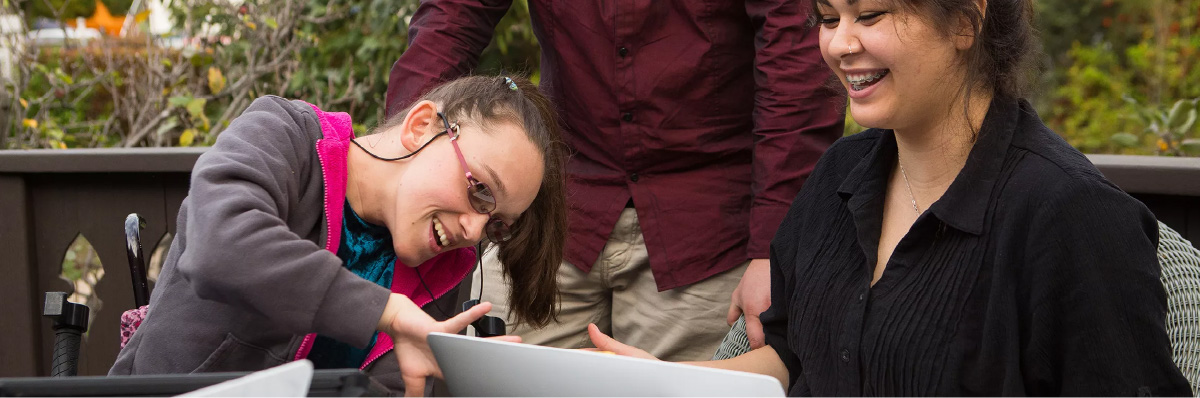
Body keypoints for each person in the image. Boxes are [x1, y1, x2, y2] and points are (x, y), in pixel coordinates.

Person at [587, 0, 1194, 394]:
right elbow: (793, 364)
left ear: (965, 21)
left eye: (870, 15)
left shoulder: (1072, 218)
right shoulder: (837, 175)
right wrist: (660, 381)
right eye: (828, 18)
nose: (839, 45)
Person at [386, 1, 845, 362]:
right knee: (494, 376)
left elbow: (795, 53)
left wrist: (773, 247)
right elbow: (450, 20)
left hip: (707, 229)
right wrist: (399, 158)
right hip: (561, 208)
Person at [109, 75, 568, 395]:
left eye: (496, 224)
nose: (474, 230)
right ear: (421, 126)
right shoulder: (285, 134)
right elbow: (221, 246)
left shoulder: (444, 267)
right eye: (481, 192)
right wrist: (386, 311)